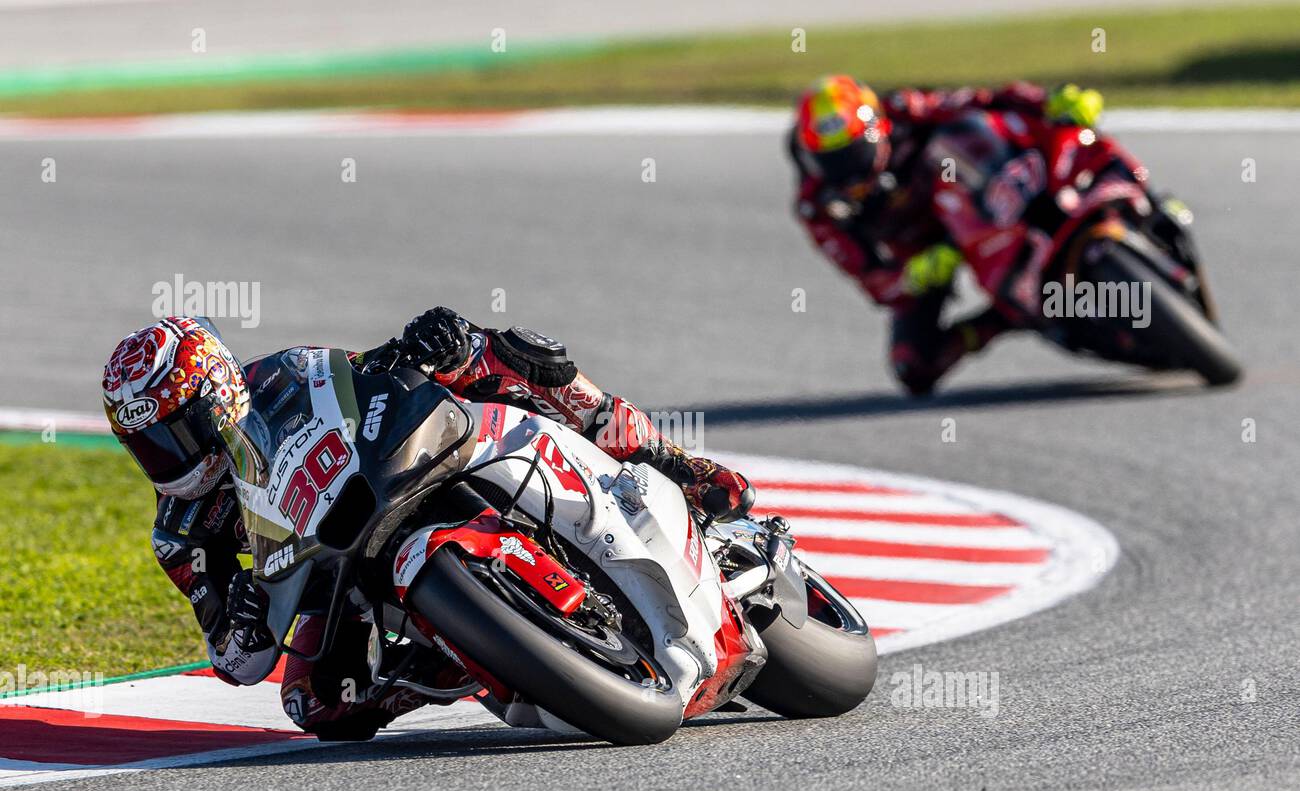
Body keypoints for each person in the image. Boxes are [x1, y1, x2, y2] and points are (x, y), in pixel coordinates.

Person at [101, 310, 753, 739]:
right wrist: (237, 617)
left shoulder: (282, 377)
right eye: (150, 443)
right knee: (316, 704)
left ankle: (673, 463)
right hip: (340, 573)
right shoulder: (181, 534)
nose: (171, 455)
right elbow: (236, 662)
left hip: (400, 471)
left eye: (177, 430)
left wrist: (424, 349)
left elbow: (363, 376)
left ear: (219, 394)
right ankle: (462, 657)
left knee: (506, 352)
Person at [789, 75, 1104, 394]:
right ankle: (1005, 317)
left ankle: (1140, 206)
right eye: (830, 163)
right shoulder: (817, 207)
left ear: (877, 129)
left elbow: (984, 98)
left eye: (853, 154)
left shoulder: (906, 111)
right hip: (928, 251)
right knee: (914, 366)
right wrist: (911, 276)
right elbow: (871, 278)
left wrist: (1048, 102)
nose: (847, 173)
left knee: (972, 130)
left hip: (982, 196)